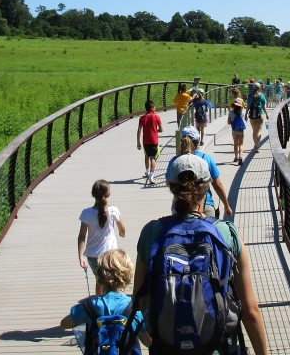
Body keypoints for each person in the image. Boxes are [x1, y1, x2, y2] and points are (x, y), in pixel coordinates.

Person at [133, 154, 269, 355]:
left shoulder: (151, 233)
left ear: (170, 186)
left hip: (167, 348)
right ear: (207, 187)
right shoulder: (226, 233)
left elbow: (138, 300)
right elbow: (250, 312)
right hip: (217, 346)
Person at [61, 249, 152, 352]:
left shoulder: (90, 306)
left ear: (99, 276)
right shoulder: (134, 308)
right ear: (128, 275)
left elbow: (64, 323)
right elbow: (147, 340)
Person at [167, 126, 233, 219]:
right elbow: (217, 185)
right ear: (198, 141)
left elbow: (169, 183)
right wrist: (226, 205)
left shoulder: (174, 161)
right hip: (205, 206)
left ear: (182, 140)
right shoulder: (206, 159)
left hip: (180, 206)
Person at [77, 180, 127, 295]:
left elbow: (81, 237)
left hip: (93, 256)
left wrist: (80, 256)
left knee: (100, 281)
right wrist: (121, 233)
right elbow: (122, 230)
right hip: (110, 255)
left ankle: (99, 306)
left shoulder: (86, 213)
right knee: (112, 282)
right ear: (108, 194)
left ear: (93, 194)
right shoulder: (113, 210)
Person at [136, 100, 163, 184]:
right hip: (154, 141)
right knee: (153, 158)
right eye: (154, 107)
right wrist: (156, 130)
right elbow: (161, 130)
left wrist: (138, 142)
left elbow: (139, 130)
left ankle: (147, 172)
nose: (155, 108)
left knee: (146, 155)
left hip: (145, 141)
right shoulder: (157, 117)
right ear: (152, 108)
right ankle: (151, 176)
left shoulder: (142, 118)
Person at [247, 86, 269, 152]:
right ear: (259, 88)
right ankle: (256, 146)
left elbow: (248, 106)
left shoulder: (250, 96)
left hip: (252, 116)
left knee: (254, 131)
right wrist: (267, 114)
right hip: (260, 115)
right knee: (259, 131)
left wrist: (245, 114)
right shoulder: (262, 96)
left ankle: (255, 145)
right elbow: (264, 107)